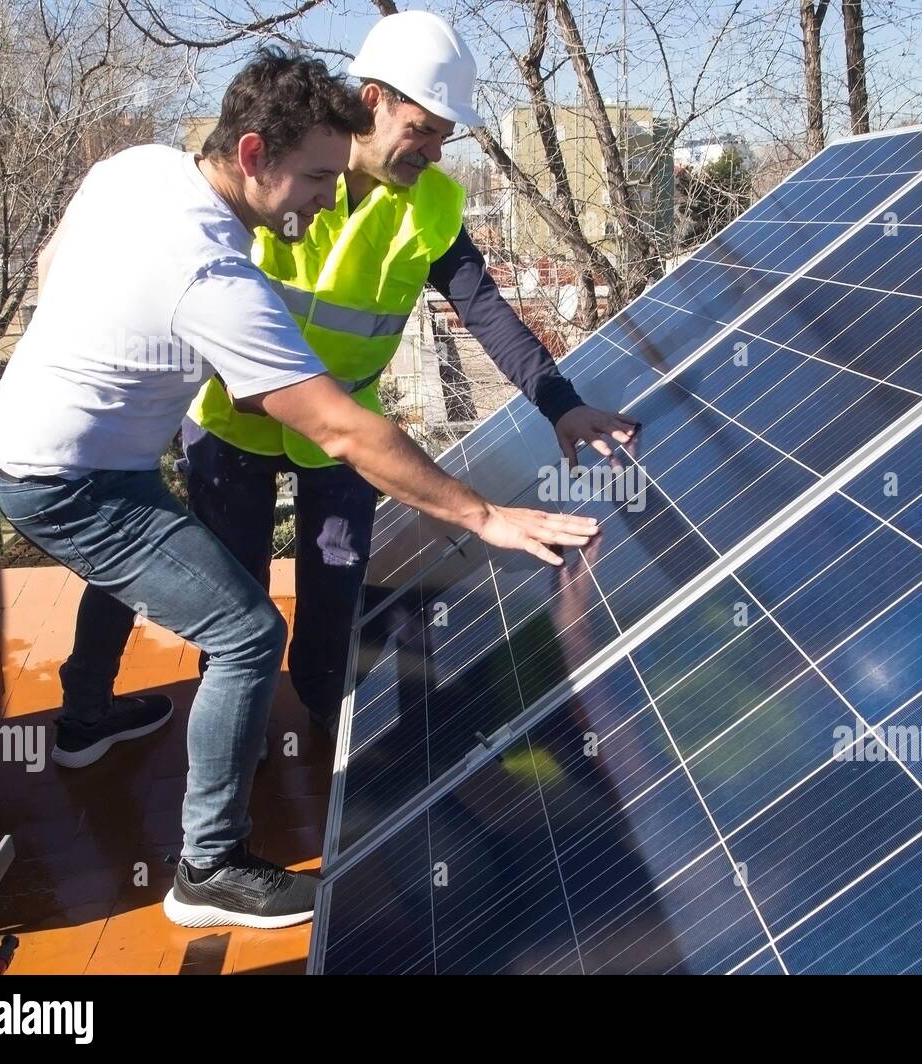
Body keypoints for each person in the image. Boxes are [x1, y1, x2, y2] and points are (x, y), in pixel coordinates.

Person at [0, 48, 600, 930]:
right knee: (242, 628)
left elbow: (55, 255)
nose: (323, 194)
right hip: (92, 474)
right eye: (313, 175)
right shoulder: (213, 273)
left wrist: (79, 351)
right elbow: (342, 428)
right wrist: (484, 515)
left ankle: (114, 724)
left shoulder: (141, 169)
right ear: (254, 155)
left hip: (69, 448)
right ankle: (210, 866)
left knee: (211, 592)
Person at [184, 10, 637, 736]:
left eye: (443, 137)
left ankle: (332, 745)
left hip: (346, 434)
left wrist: (562, 405)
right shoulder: (277, 174)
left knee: (336, 600)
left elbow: (486, 312)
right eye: (422, 128)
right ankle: (238, 746)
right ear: (374, 101)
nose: (431, 151)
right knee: (234, 601)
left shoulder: (432, 206)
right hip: (232, 417)